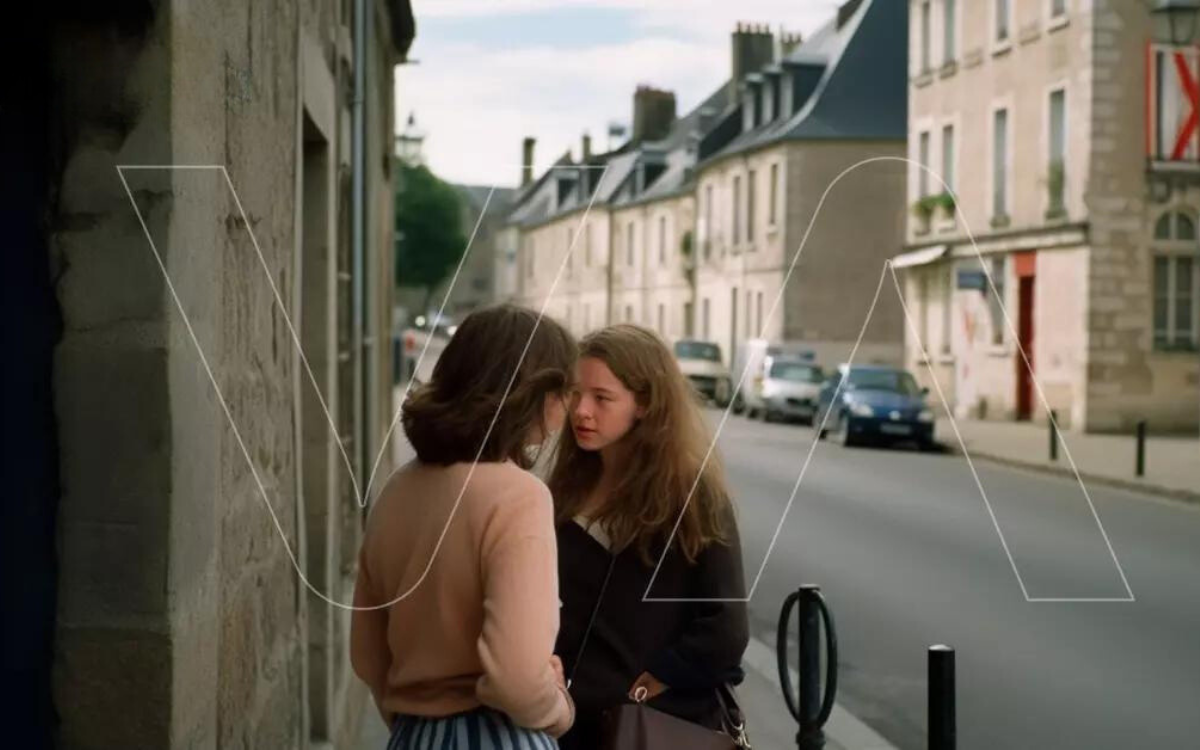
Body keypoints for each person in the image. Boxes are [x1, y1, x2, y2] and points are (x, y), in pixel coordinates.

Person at [351, 304, 577, 748]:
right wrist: (559, 709)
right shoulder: (519, 498)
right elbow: (515, 676)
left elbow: (367, 652)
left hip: (412, 735)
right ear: (537, 392)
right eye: (565, 389)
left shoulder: (398, 490)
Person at [547, 324, 750, 750]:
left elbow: (726, 627)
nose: (582, 411)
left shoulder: (693, 497)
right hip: (563, 725)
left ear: (645, 404)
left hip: (651, 731)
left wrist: (656, 680)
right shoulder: (566, 486)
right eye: (576, 394)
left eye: (602, 398)